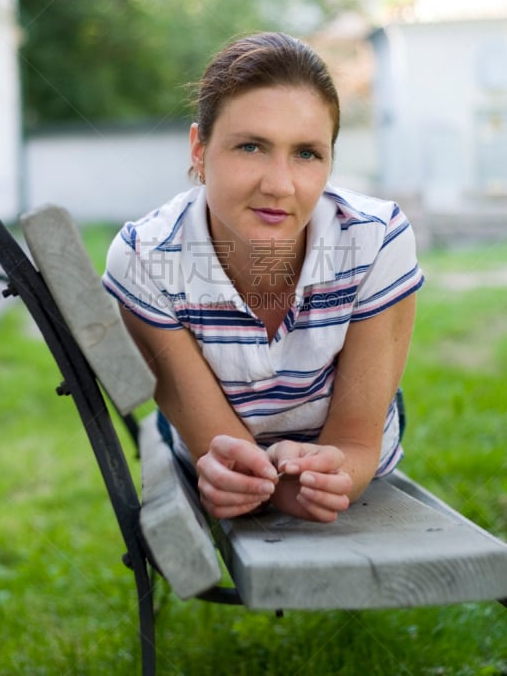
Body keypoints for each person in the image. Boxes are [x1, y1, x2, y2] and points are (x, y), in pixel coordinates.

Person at [103, 31, 424, 524]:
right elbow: (220, 449)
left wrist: (338, 471)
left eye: (307, 153)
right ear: (198, 148)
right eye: (251, 147)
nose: (279, 185)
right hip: (215, 451)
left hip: (338, 448)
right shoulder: (147, 260)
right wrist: (244, 481)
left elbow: (358, 442)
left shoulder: (374, 240)